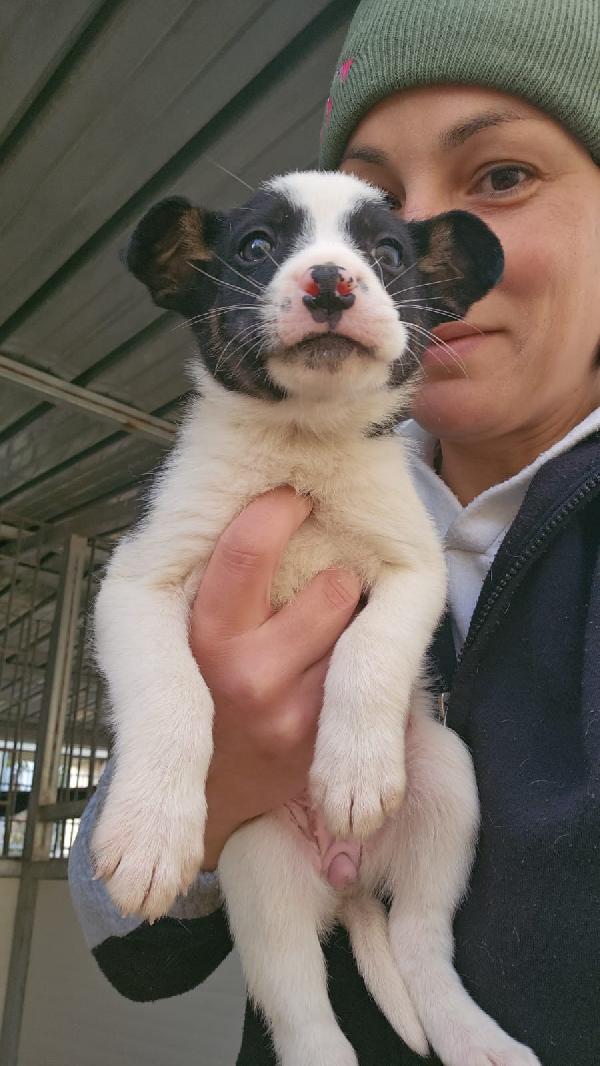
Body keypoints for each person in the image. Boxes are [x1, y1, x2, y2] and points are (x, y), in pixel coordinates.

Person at [68, 1, 600, 1063]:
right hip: (278, 860)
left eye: (501, 174)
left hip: (416, 845)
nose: (338, 272)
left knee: (438, 781)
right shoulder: (304, 461)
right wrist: (207, 776)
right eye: (379, 195)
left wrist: (359, 708)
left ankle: (422, 963)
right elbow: (132, 938)